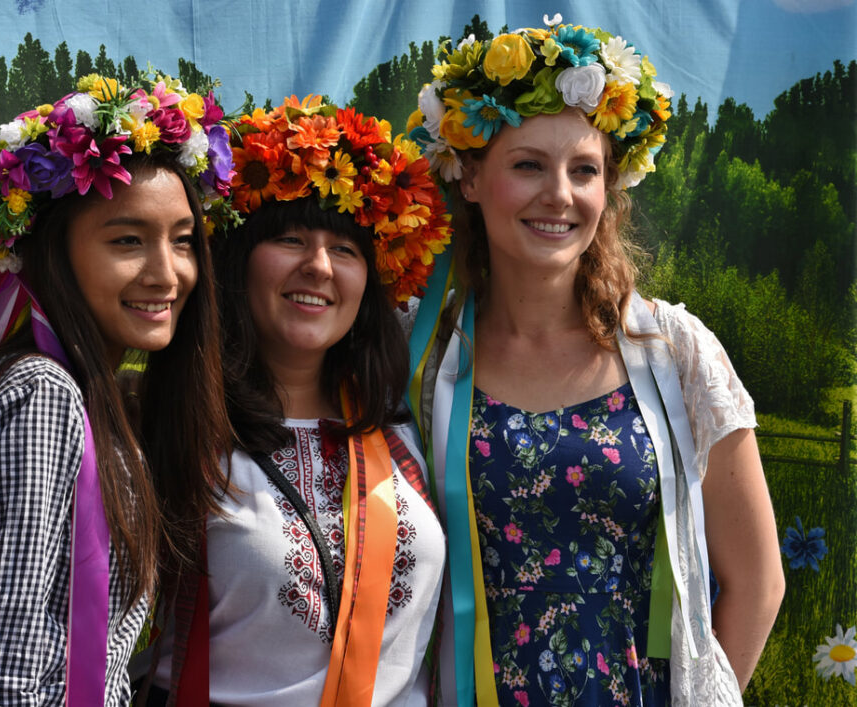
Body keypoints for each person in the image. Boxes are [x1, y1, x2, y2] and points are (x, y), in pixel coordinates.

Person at [405, 15, 784, 706]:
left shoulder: (676, 351)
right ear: (469, 176)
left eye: (584, 169)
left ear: (609, 187)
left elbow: (758, 580)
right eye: (528, 165)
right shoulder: (420, 352)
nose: (560, 194)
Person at [0, 71, 234, 706]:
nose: (167, 273)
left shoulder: (95, 399)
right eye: (127, 240)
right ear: (55, 252)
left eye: (182, 242)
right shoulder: (42, 397)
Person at [126, 96, 450, 706]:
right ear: (236, 262)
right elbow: (64, 599)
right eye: (291, 239)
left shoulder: (408, 424)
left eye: (346, 250)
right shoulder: (166, 425)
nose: (319, 266)